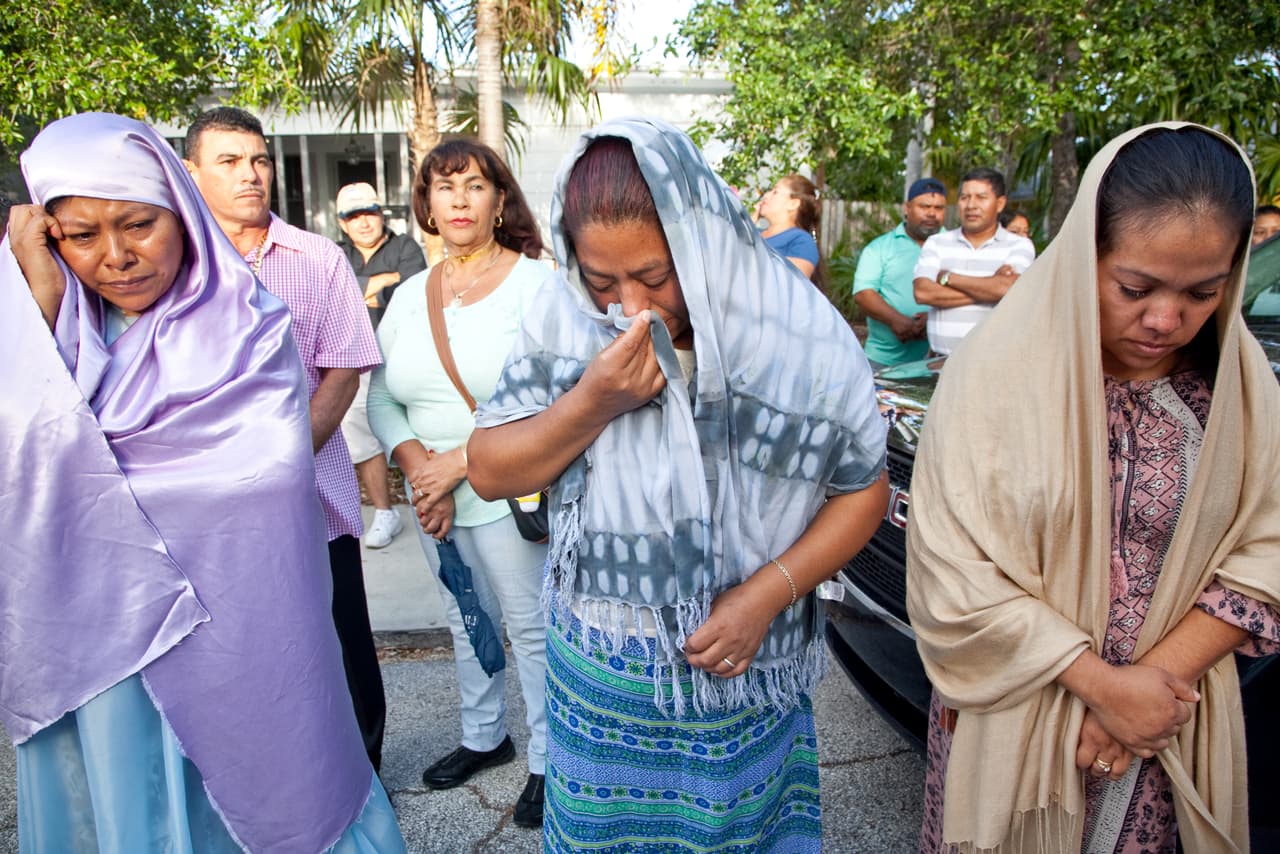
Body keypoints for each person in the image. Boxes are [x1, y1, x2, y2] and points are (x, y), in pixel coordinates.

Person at [466, 118, 890, 852]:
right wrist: (592, 401)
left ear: (704, 239)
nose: (632, 308)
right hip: (603, 671)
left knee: (740, 832)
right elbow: (491, 467)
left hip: (746, 677)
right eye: (604, 281)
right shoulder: (563, 316)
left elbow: (863, 489)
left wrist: (765, 596)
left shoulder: (801, 337)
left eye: (656, 277)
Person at [0, 112, 404, 852]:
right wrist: (38, 308)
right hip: (103, 645)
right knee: (131, 806)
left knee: (251, 800)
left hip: (231, 630)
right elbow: (17, 479)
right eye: (81, 236)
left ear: (180, 213)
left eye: (138, 224)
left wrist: (98, 485)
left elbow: (257, 479)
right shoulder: (39, 332)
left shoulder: (247, 326)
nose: (116, 257)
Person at [907, 124, 1280, 853]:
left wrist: (1142, 694)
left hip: (1168, 729)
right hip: (1013, 715)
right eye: (1136, 287)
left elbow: (1268, 548)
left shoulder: (1242, 392)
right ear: (1086, 256)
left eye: (1204, 291)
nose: (1167, 319)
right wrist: (1102, 685)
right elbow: (951, 572)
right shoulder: (997, 378)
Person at [183, 107, 387, 772]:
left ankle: (364, 776)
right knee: (245, 653)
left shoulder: (316, 258)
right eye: (230, 161)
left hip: (312, 497)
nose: (251, 174)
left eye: (260, 159)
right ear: (191, 173)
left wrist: (281, 463)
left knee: (341, 641)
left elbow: (345, 366)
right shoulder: (174, 264)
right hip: (210, 512)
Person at [366, 138, 553, 828]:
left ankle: (548, 760)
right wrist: (422, 470)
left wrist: (459, 464)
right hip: (434, 497)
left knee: (530, 627)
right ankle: (485, 736)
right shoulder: (412, 293)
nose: (460, 200)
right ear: (427, 205)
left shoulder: (538, 284)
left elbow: (558, 403)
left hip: (511, 491)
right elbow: (383, 399)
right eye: (445, 188)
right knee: (464, 617)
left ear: (501, 199)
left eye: (475, 186)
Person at [335, 181, 428, 549]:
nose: (362, 222)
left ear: (381, 214)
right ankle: (386, 512)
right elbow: (336, 296)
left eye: (368, 213)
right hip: (358, 359)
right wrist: (383, 283)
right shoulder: (335, 253)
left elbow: (412, 290)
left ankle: (427, 495)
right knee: (361, 435)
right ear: (342, 224)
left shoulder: (405, 247)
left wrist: (361, 289)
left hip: (406, 355)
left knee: (417, 428)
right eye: (352, 216)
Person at [912, 167, 1035, 355]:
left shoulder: (1019, 245)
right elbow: (923, 293)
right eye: (964, 197)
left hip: (995, 363)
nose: (971, 205)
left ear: (1000, 203)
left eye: (981, 197)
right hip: (941, 364)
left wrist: (948, 277)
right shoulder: (937, 242)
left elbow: (1008, 289)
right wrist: (991, 288)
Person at [853, 177, 947, 369]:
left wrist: (934, 318)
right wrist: (897, 321)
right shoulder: (880, 248)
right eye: (924, 206)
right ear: (907, 207)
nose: (931, 213)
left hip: (942, 361)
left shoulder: (956, 247)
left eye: (938, 208)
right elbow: (864, 293)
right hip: (883, 361)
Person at [755, 173, 822, 281]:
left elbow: (792, 284)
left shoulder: (801, 241)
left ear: (793, 204)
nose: (766, 195)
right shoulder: (754, 232)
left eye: (775, 192)